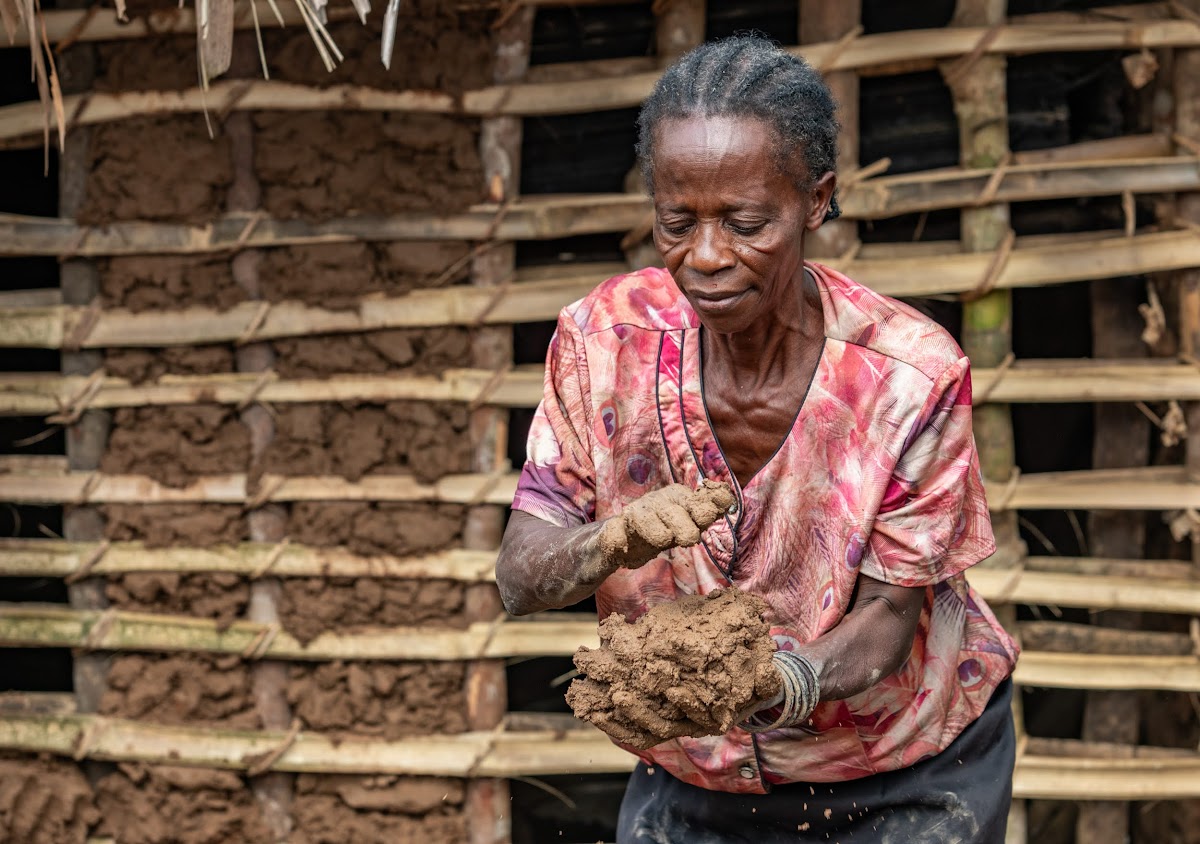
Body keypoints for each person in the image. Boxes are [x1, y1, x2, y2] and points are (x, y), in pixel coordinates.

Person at [496, 35, 1019, 843]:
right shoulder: (602, 342)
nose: (705, 256)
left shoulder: (909, 377)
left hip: (902, 767)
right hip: (697, 768)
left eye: (745, 223)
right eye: (677, 222)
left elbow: (888, 612)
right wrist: (614, 537)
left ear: (815, 202)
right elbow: (518, 577)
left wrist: (780, 680)